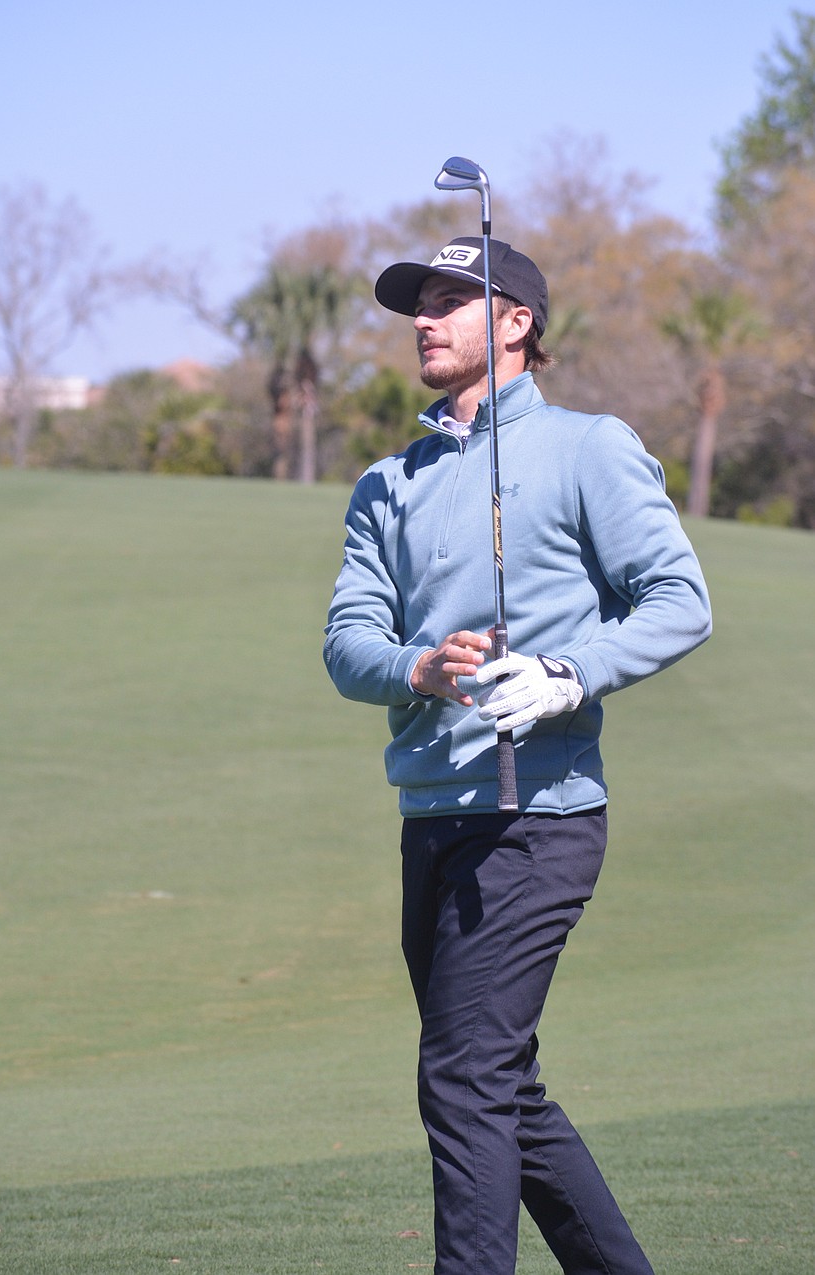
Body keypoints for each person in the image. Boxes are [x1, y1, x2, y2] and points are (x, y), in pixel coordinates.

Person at [323, 235, 712, 1275]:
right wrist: (421, 670)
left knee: (459, 1079)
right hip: (433, 818)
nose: (424, 318)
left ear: (516, 322)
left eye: (452, 299)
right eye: (419, 303)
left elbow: (680, 603)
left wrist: (567, 675)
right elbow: (348, 641)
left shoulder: (588, 447)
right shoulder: (385, 482)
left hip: (537, 817)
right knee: (498, 1084)